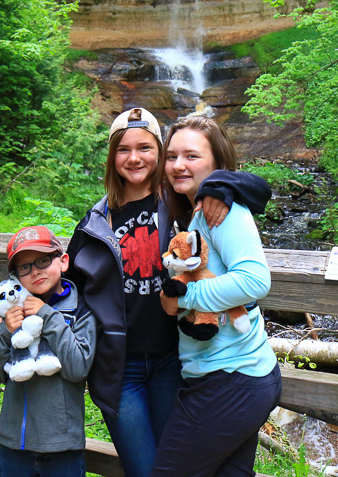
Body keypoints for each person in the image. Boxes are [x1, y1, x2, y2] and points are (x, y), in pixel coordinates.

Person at [62, 107, 233, 477]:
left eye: (145, 147)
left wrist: (223, 191)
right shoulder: (95, 222)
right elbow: (65, 284)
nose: (134, 158)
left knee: (176, 468)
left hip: (175, 360)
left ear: (160, 152)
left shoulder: (179, 203)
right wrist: (15, 303)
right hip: (121, 368)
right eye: (123, 149)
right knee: (143, 469)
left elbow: (245, 185)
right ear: (112, 156)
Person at [153, 115, 281, 477]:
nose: (178, 165)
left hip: (231, 378)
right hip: (234, 377)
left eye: (191, 156)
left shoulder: (223, 212)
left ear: (217, 165)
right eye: (172, 155)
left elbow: (255, 281)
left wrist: (185, 295)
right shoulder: (196, 211)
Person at [0, 225, 97, 477]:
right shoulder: (10, 313)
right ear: (15, 277)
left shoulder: (82, 311)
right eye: (24, 267)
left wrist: (48, 316)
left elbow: (78, 368)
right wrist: (5, 332)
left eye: (43, 261)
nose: (35, 272)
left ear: (63, 261)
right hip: (14, 444)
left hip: (63, 447)